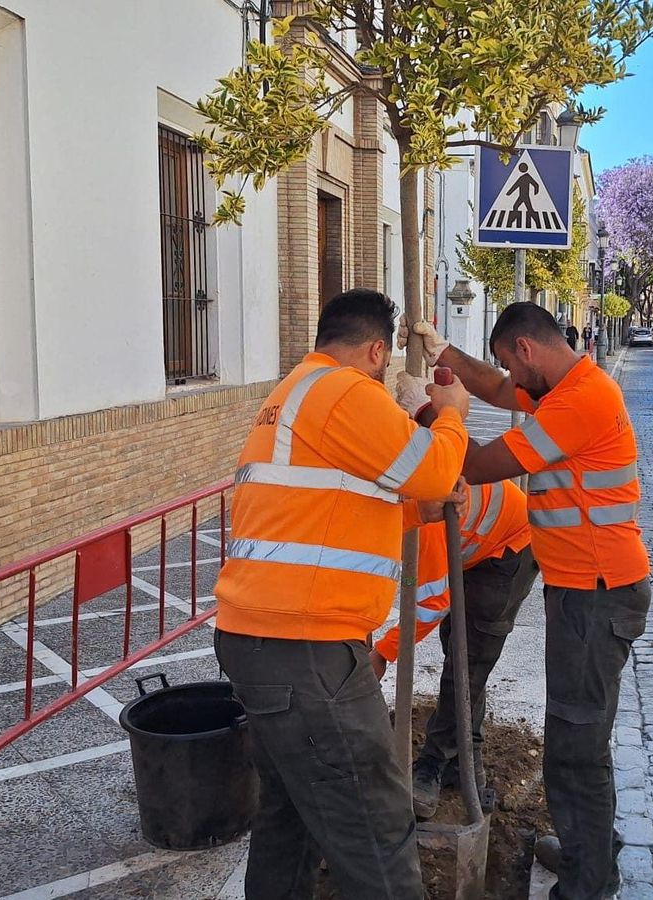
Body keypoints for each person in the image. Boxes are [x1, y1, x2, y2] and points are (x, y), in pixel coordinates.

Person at [212, 288, 470, 899]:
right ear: (377, 351)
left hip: (261, 641)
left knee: (290, 817)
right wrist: (454, 410)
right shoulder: (346, 391)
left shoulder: (294, 393)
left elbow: (331, 506)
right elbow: (434, 467)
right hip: (308, 650)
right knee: (376, 828)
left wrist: (418, 515)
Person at [401, 302, 650, 900]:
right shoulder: (566, 383)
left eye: (510, 360)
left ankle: (589, 881)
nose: (509, 377)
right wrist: (444, 355)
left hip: (596, 597)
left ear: (527, 350)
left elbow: (483, 464)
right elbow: (498, 386)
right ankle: (588, 847)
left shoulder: (579, 403)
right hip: (587, 592)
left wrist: (432, 414)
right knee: (580, 734)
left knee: (575, 743)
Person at [367, 478, 537, 818]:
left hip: (510, 550)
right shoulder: (390, 502)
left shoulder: (420, 518)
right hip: (474, 547)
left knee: (465, 664)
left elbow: (431, 603)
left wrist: (384, 651)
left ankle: (431, 765)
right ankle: (466, 762)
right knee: (458, 650)